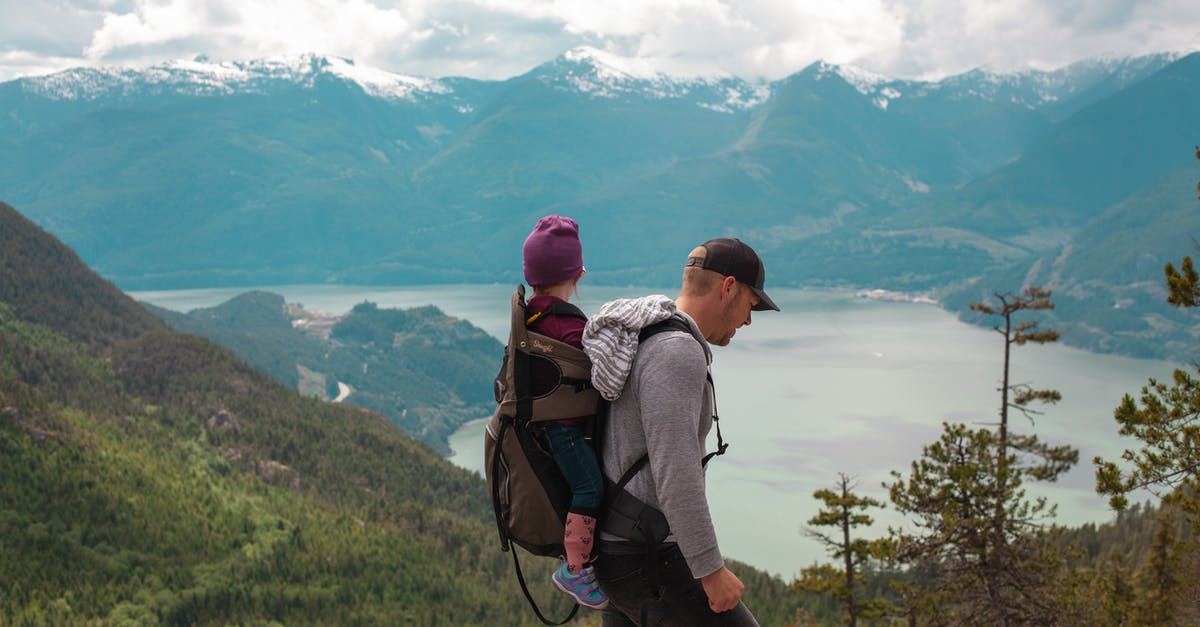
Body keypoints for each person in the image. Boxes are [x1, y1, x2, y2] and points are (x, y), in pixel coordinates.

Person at [581, 237, 779, 626]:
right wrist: (710, 570)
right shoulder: (676, 352)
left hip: (618, 550)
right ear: (728, 288)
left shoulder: (641, 335)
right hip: (649, 557)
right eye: (750, 306)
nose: (748, 321)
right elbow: (676, 474)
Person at [521, 214, 609, 610]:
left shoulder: (532, 316)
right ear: (577, 274)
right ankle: (574, 569)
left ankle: (578, 560)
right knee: (589, 488)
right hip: (567, 430)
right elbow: (601, 371)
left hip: (544, 425)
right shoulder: (568, 327)